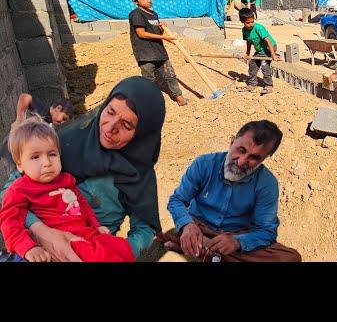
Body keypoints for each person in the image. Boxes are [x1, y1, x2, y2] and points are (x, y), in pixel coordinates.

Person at [0, 76, 165, 262]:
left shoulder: (140, 176)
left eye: (126, 125)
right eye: (110, 112)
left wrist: (110, 252)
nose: (110, 127)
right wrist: (41, 230)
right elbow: (8, 192)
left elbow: (144, 229)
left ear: (142, 134)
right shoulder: (65, 142)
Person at [162, 120, 302, 262]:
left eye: (254, 157)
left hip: (235, 235)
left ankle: (200, 249)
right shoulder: (203, 164)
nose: (241, 162)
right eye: (241, 150)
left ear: (266, 157)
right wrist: (187, 225)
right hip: (199, 226)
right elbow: (177, 200)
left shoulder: (267, 184)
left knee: (291, 258)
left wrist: (238, 242)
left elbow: (266, 230)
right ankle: (205, 249)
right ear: (232, 141)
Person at [0, 116, 135, 262]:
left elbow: (82, 205)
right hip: (63, 242)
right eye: (35, 157)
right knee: (104, 257)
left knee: (122, 247)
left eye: (52, 154)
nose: (46, 163)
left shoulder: (66, 180)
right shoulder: (19, 188)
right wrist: (27, 247)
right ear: (19, 164)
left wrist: (96, 226)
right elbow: (8, 220)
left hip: (87, 234)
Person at [126, 0, 187, 106]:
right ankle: (149, 103)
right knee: (149, 80)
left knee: (170, 75)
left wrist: (163, 32)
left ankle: (179, 98)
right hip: (145, 54)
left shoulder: (154, 14)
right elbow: (141, 33)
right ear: (135, 1)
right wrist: (163, 37)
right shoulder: (136, 14)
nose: (149, 0)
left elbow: (157, 33)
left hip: (160, 51)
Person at [240, 7, 281, 95]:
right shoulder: (244, 31)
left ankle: (268, 86)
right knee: (252, 64)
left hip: (269, 48)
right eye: (248, 22)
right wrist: (247, 53)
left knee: (264, 65)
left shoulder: (258, 28)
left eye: (252, 21)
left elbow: (268, 41)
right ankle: (252, 84)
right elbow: (249, 41)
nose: (251, 24)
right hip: (260, 50)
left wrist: (273, 55)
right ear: (242, 22)